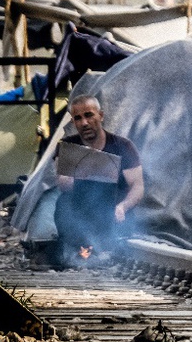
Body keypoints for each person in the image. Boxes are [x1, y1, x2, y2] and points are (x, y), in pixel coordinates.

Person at [53, 95, 144, 266]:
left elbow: (137, 187)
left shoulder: (123, 146)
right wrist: (86, 164)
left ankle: (110, 251)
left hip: (113, 215)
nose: (84, 123)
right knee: (62, 203)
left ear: (100, 116)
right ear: (73, 122)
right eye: (78, 118)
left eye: (89, 115)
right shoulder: (67, 146)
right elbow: (64, 185)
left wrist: (123, 207)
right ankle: (75, 250)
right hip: (81, 216)